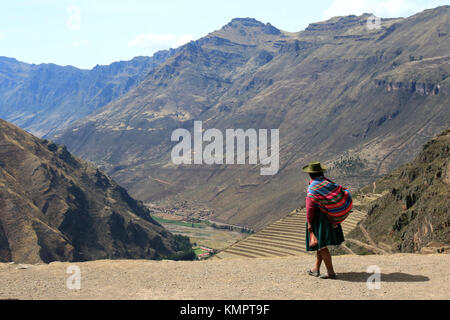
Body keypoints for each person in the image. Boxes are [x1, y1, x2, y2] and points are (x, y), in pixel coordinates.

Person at [303, 161, 344, 279]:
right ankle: (315, 269)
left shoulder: (313, 188)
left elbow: (310, 208)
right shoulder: (328, 183)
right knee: (320, 244)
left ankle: (331, 273)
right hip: (331, 216)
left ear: (310, 174)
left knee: (321, 246)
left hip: (319, 220)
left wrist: (309, 224)